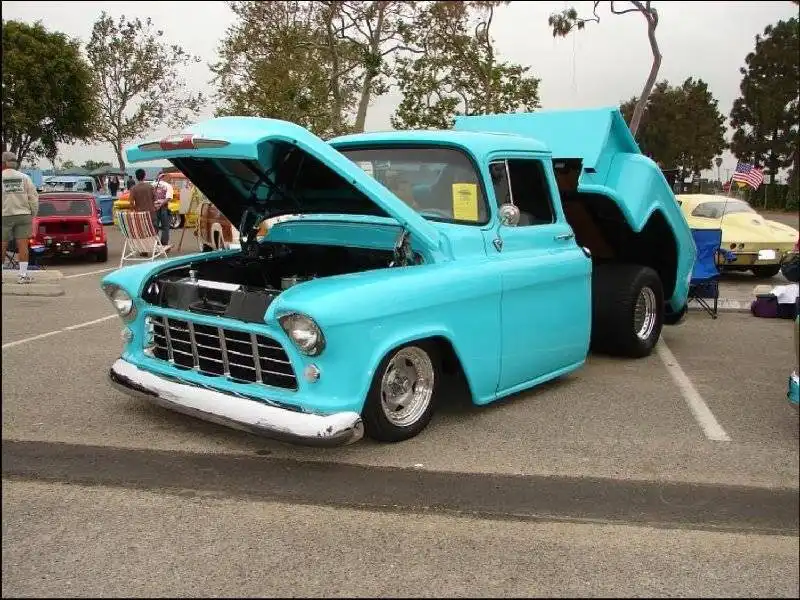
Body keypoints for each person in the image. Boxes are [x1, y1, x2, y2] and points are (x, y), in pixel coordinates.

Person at [2, 151, 39, 283]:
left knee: (2, 244)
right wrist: (33, 213)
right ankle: (22, 275)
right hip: (23, 215)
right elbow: (33, 197)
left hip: (4, 215)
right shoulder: (24, 177)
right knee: (23, 245)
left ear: (4, 163)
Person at [152, 173, 173, 250]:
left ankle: (156, 245)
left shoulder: (152, 185)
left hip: (154, 207)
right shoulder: (168, 185)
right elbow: (168, 198)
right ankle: (164, 245)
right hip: (164, 207)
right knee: (165, 227)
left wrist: (156, 205)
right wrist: (161, 204)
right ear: (164, 177)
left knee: (155, 227)